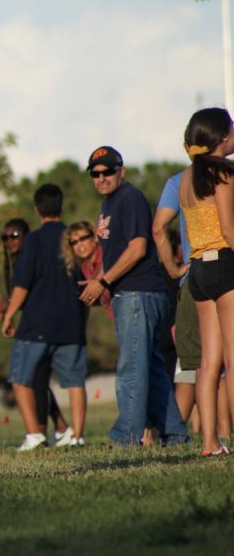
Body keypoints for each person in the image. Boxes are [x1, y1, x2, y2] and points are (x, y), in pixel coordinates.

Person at [79, 146, 190, 446]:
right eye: (95, 173)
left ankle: (125, 436)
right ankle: (176, 434)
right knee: (152, 368)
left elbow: (138, 248)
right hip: (134, 294)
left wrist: (102, 280)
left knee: (132, 367)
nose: (101, 178)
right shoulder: (109, 205)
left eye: (107, 171)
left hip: (139, 294)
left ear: (121, 171)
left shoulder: (130, 199)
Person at [1, 184, 87, 450]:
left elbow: (22, 285)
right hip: (71, 324)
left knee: (20, 379)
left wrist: (8, 315)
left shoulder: (35, 241)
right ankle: (76, 436)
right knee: (74, 382)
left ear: (36, 210)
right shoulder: (73, 240)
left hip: (37, 325)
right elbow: (83, 283)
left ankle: (34, 436)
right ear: (61, 207)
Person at [177, 107, 234, 456]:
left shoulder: (185, 177)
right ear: (222, 138)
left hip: (197, 269)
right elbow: (228, 230)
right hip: (224, 266)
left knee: (208, 363)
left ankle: (210, 444)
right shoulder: (223, 173)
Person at [0, 219, 71, 445]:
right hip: (36, 324)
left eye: (14, 235)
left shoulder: (33, 253)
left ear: (26, 236)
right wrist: (10, 307)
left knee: (35, 380)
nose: (9, 241)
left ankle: (39, 436)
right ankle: (61, 428)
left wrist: (9, 308)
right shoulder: (20, 259)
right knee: (35, 379)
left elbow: (38, 291)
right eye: (5, 238)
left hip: (44, 326)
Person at [61, 220, 113, 319]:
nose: (79, 245)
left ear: (94, 237)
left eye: (83, 238)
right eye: (74, 242)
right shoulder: (85, 267)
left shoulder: (106, 255)